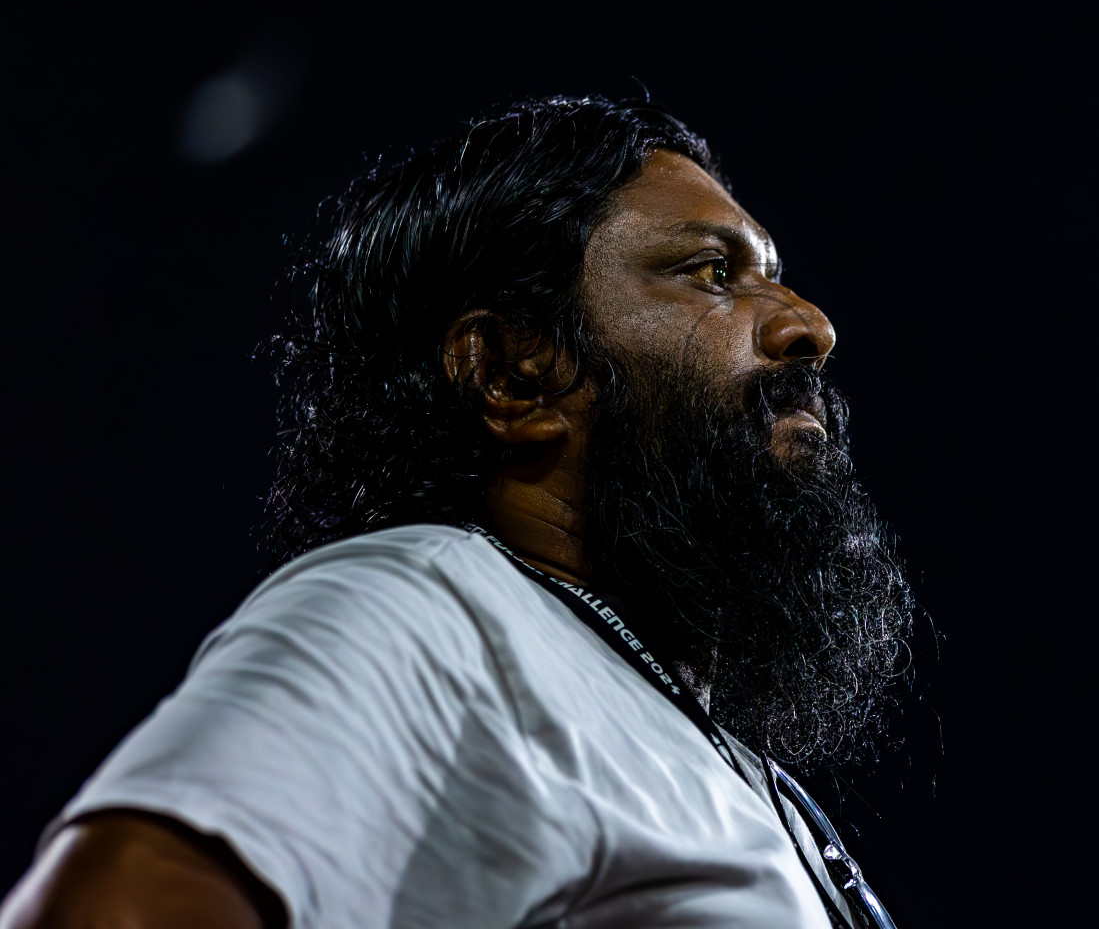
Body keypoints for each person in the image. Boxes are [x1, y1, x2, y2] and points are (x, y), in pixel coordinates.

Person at [0, 96, 916, 928]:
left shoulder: (684, 726)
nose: (808, 325)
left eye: (772, 273)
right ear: (515, 373)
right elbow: (111, 907)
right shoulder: (438, 605)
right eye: (712, 274)